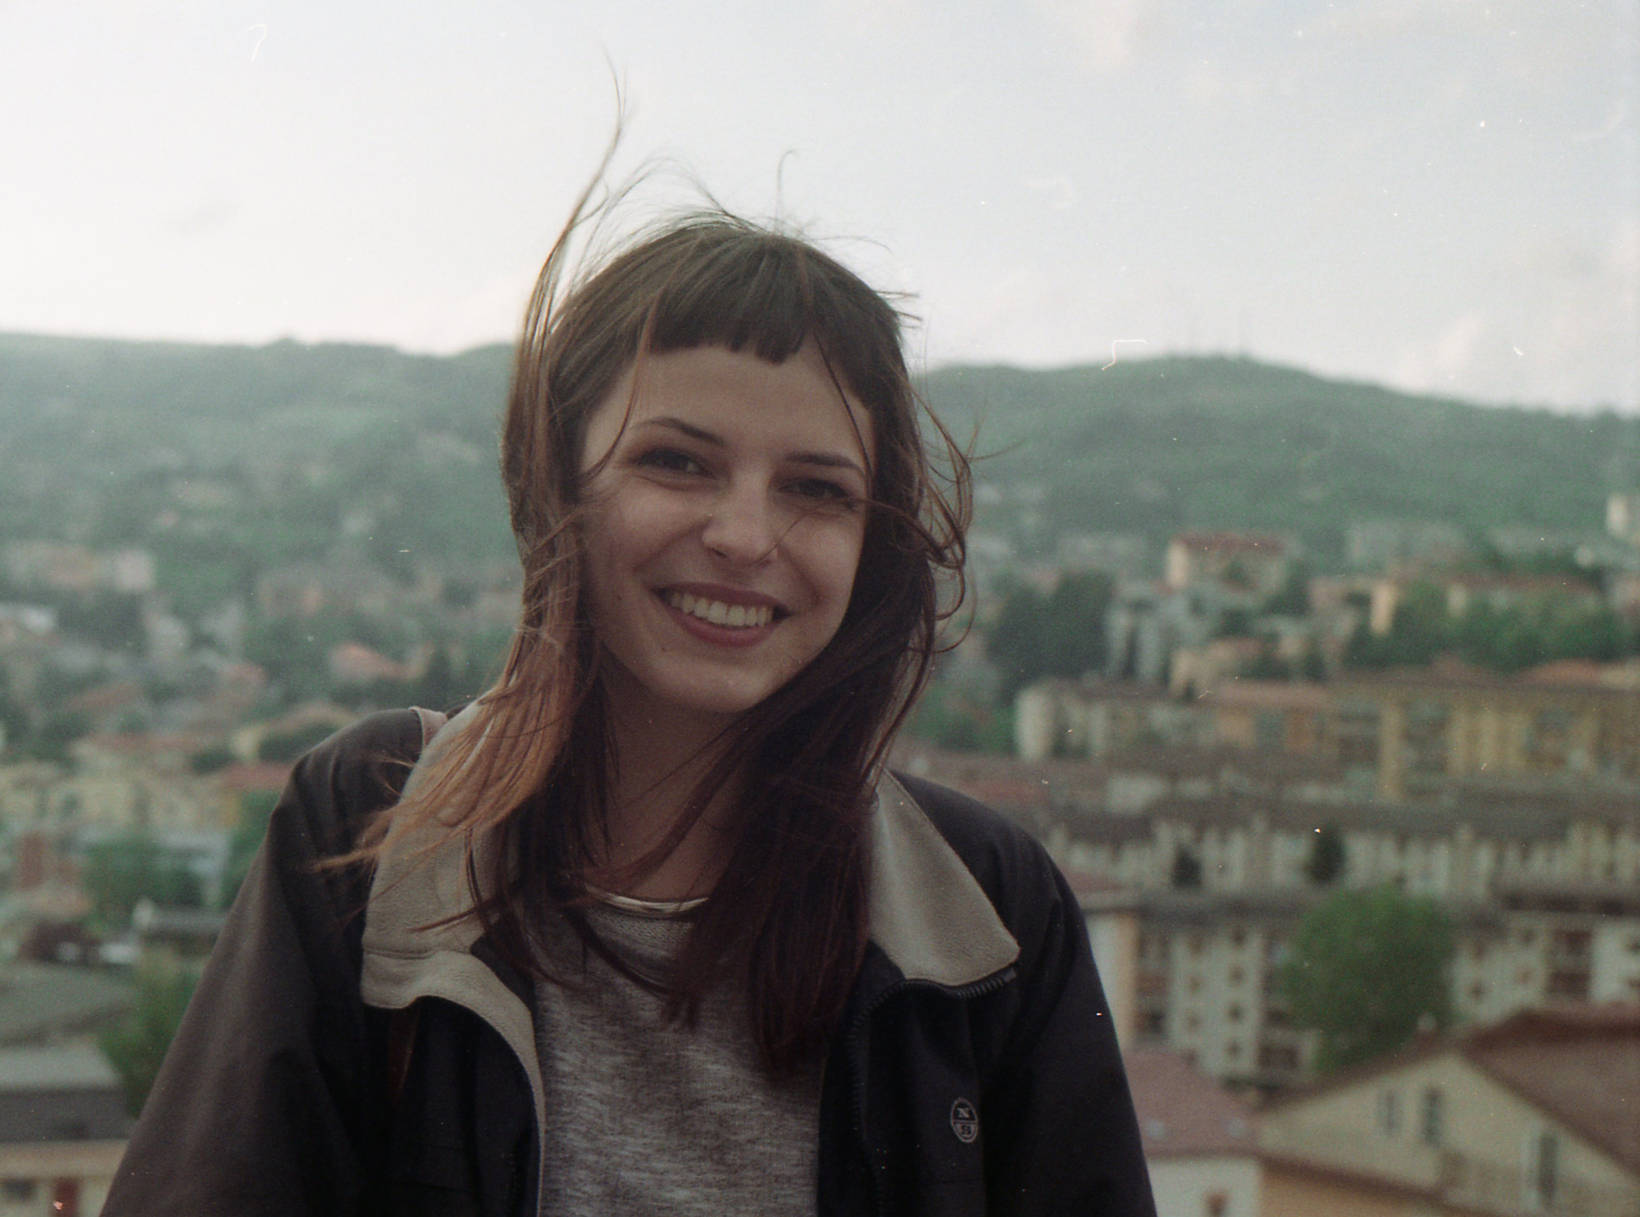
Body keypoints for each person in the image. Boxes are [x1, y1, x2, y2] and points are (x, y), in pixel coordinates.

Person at [101, 186, 1156, 1216]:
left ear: (868, 538)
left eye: (816, 488)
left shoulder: (987, 904)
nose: (747, 536)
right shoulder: (377, 823)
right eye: (678, 461)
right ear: (560, 480)